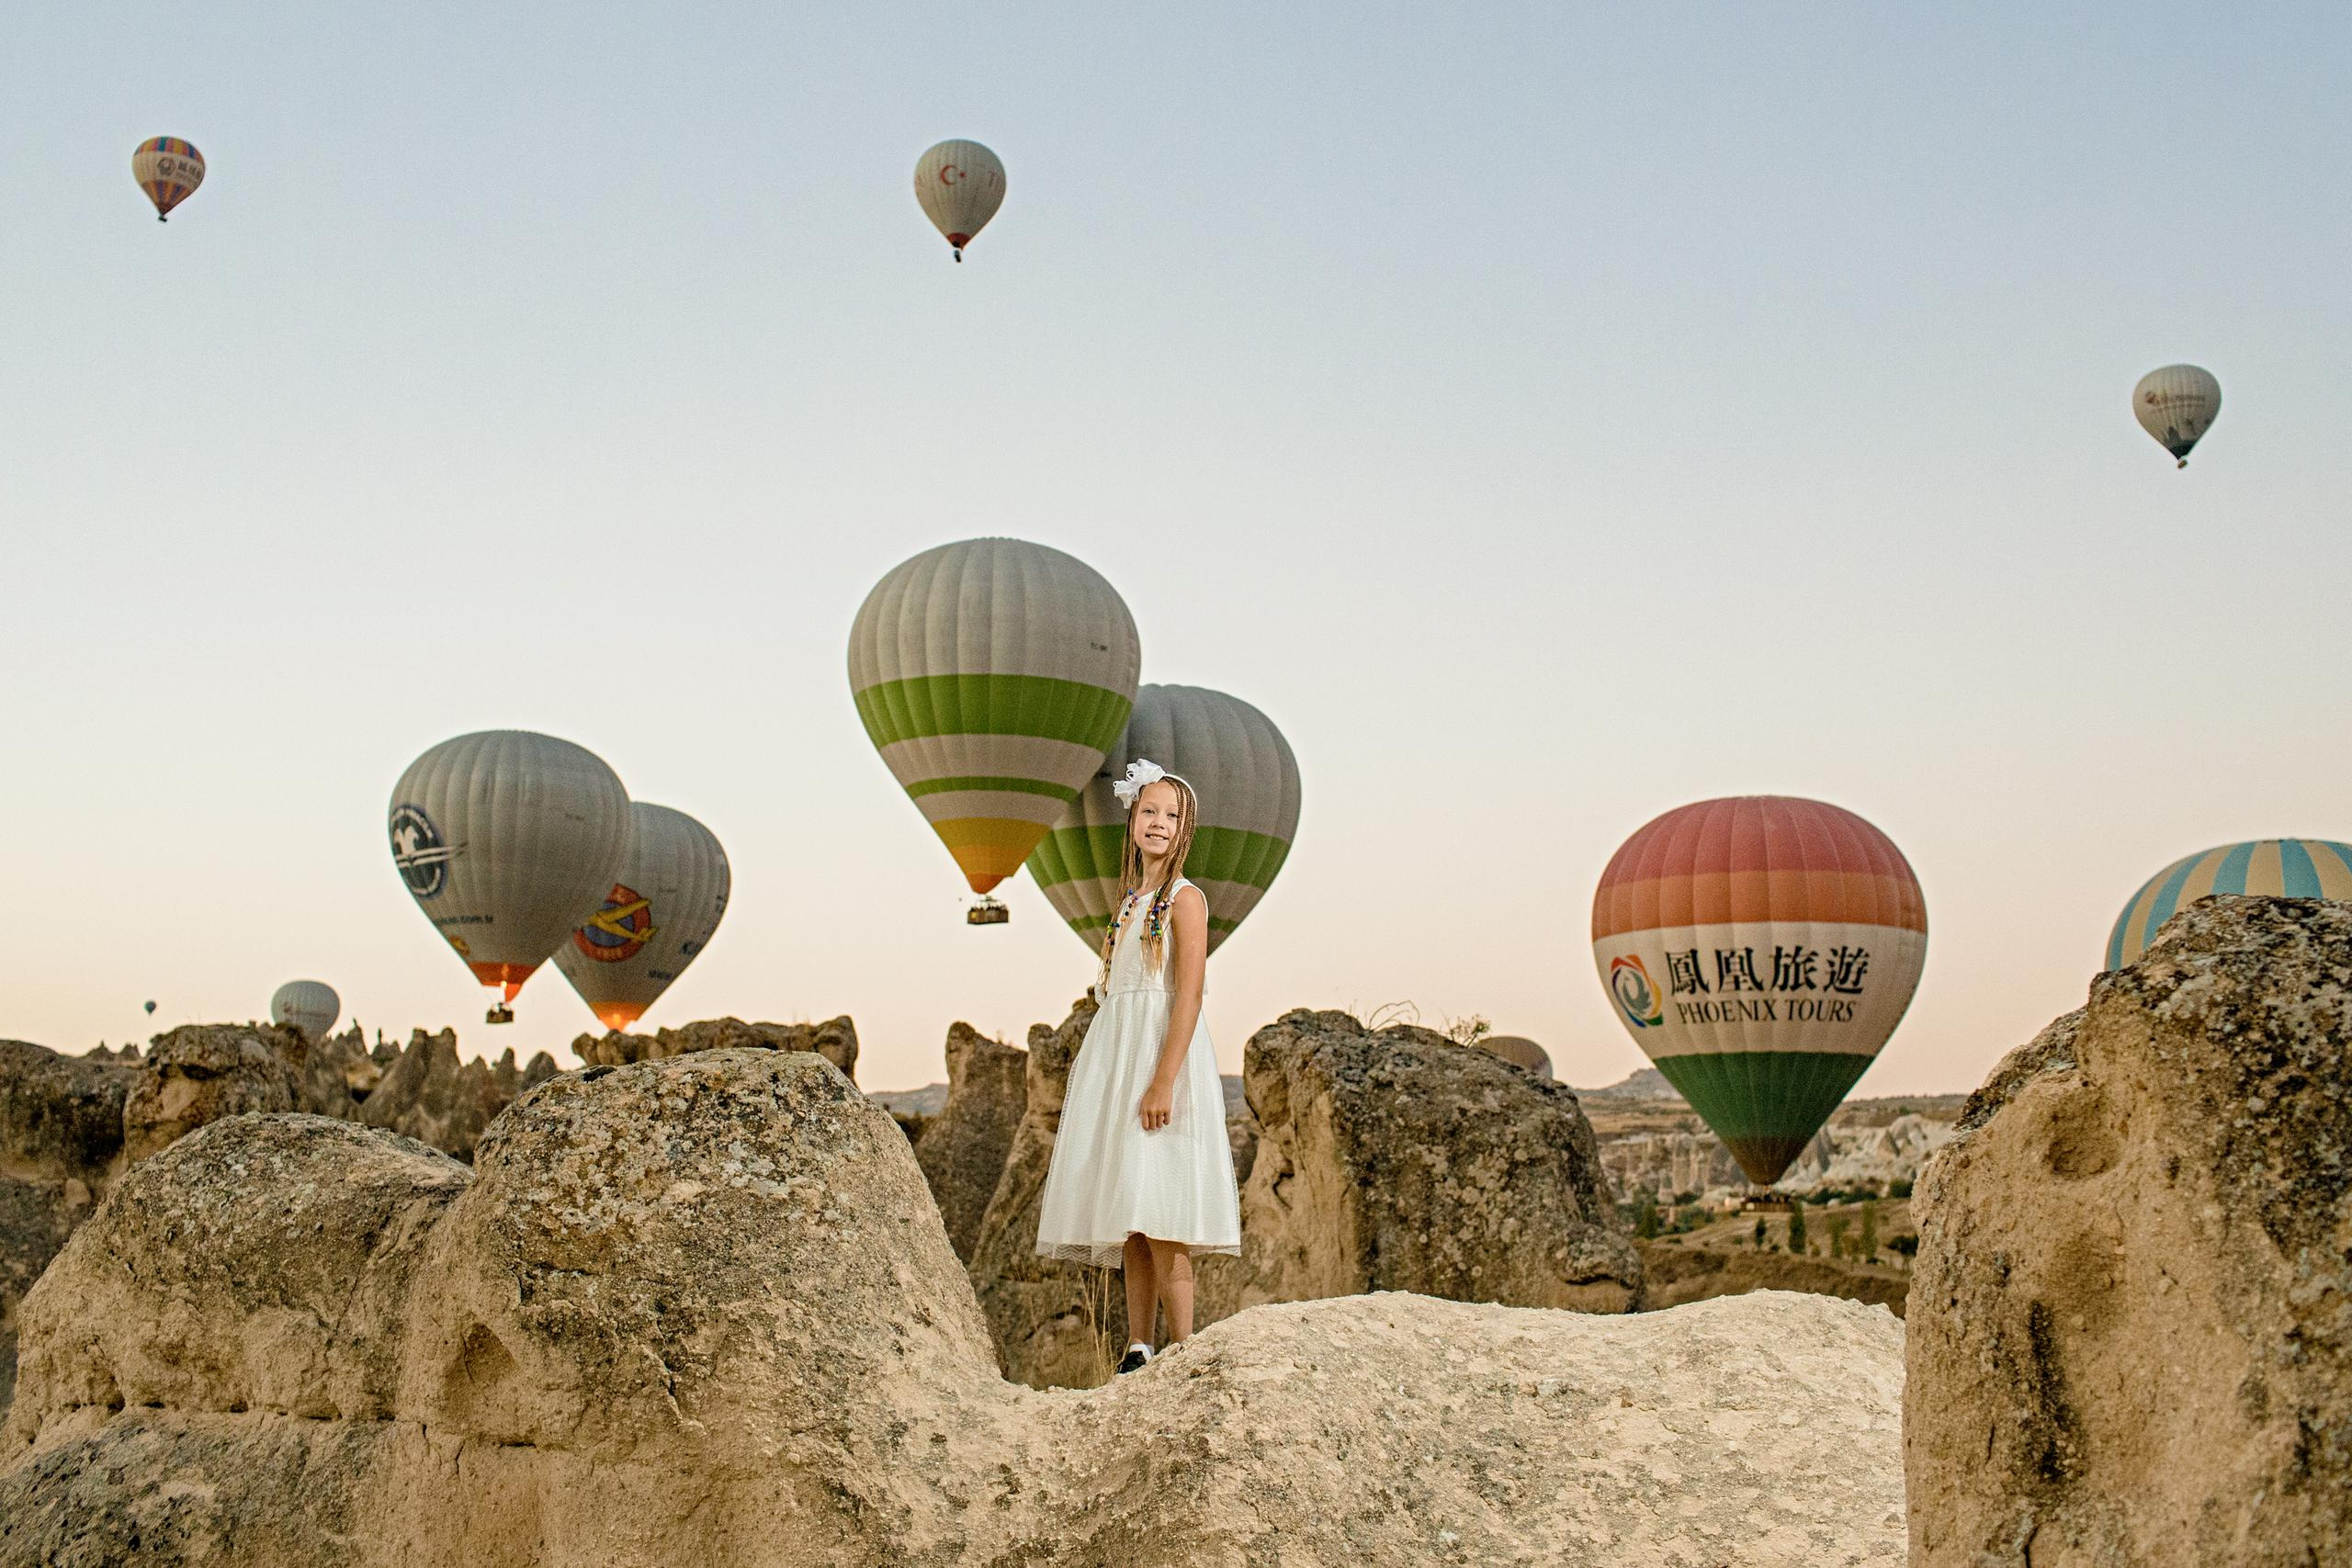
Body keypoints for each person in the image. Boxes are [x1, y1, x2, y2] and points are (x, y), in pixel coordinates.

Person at [1035, 759, 1241, 1373]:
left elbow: (1190, 993)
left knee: (1163, 1205)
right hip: (1119, 1058)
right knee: (1130, 1212)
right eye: (1148, 810)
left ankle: (1186, 1347)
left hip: (1159, 1058)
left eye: (1171, 815)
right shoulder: (1130, 904)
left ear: (1186, 830)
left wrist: (1163, 1078)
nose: (1158, 822)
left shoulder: (1186, 899)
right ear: (1131, 820)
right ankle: (1139, 1345)